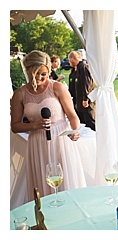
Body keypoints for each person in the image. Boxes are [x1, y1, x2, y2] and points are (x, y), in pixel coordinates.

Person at [10, 50, 86, 204]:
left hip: (60, 141)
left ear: (49, 71)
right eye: (36, 74)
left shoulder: (57, 87)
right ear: (28, 70)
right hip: (37, 145)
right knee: (42, 183)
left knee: (64, 184)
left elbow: (72, 116)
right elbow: (15, 126)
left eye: (43, 74)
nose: (39, 78)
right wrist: (34, 125)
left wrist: (75, 130)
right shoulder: (20, 94)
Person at [68, 50, 96, 131]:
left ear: (73, 59)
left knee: (89, 120)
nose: (69, 62)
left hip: (85, 100)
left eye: (70, 60)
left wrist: (85, 98)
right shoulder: (74, 70)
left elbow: (87, 83)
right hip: (77, 100)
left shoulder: (83, 67)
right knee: (81, 121)